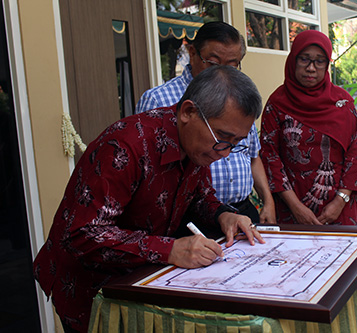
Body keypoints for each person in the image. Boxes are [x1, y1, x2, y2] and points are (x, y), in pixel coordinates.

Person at [33, 66, 265, 333]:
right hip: (90, 286)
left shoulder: (197, 144)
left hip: (140, 279)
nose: (225, 153)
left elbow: (199, 198)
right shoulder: (124, 146)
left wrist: (224, 215)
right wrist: (170, 249)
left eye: (235, 143)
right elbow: (83, 234)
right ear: (188, 112)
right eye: (222, 138)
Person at [136, 21, 275, 225]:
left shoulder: (241, 101)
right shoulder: (159, 100)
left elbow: (252, 156)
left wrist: (268, 201)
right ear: (192, 53)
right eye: (213, 63)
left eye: (233, 66)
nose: (224, 73)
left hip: (240, 212)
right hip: (190, 218)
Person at [259, 30, 357, 226]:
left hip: (340, 209)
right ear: (293, 60)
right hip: (291, 208)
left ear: (327, 65)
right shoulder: (277, 104)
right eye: (304, 59)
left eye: (319, 61)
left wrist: (340, 201)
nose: (311, 68)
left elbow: (356, 153)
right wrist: (295, 207)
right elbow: (270, 158)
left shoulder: (342, 102)